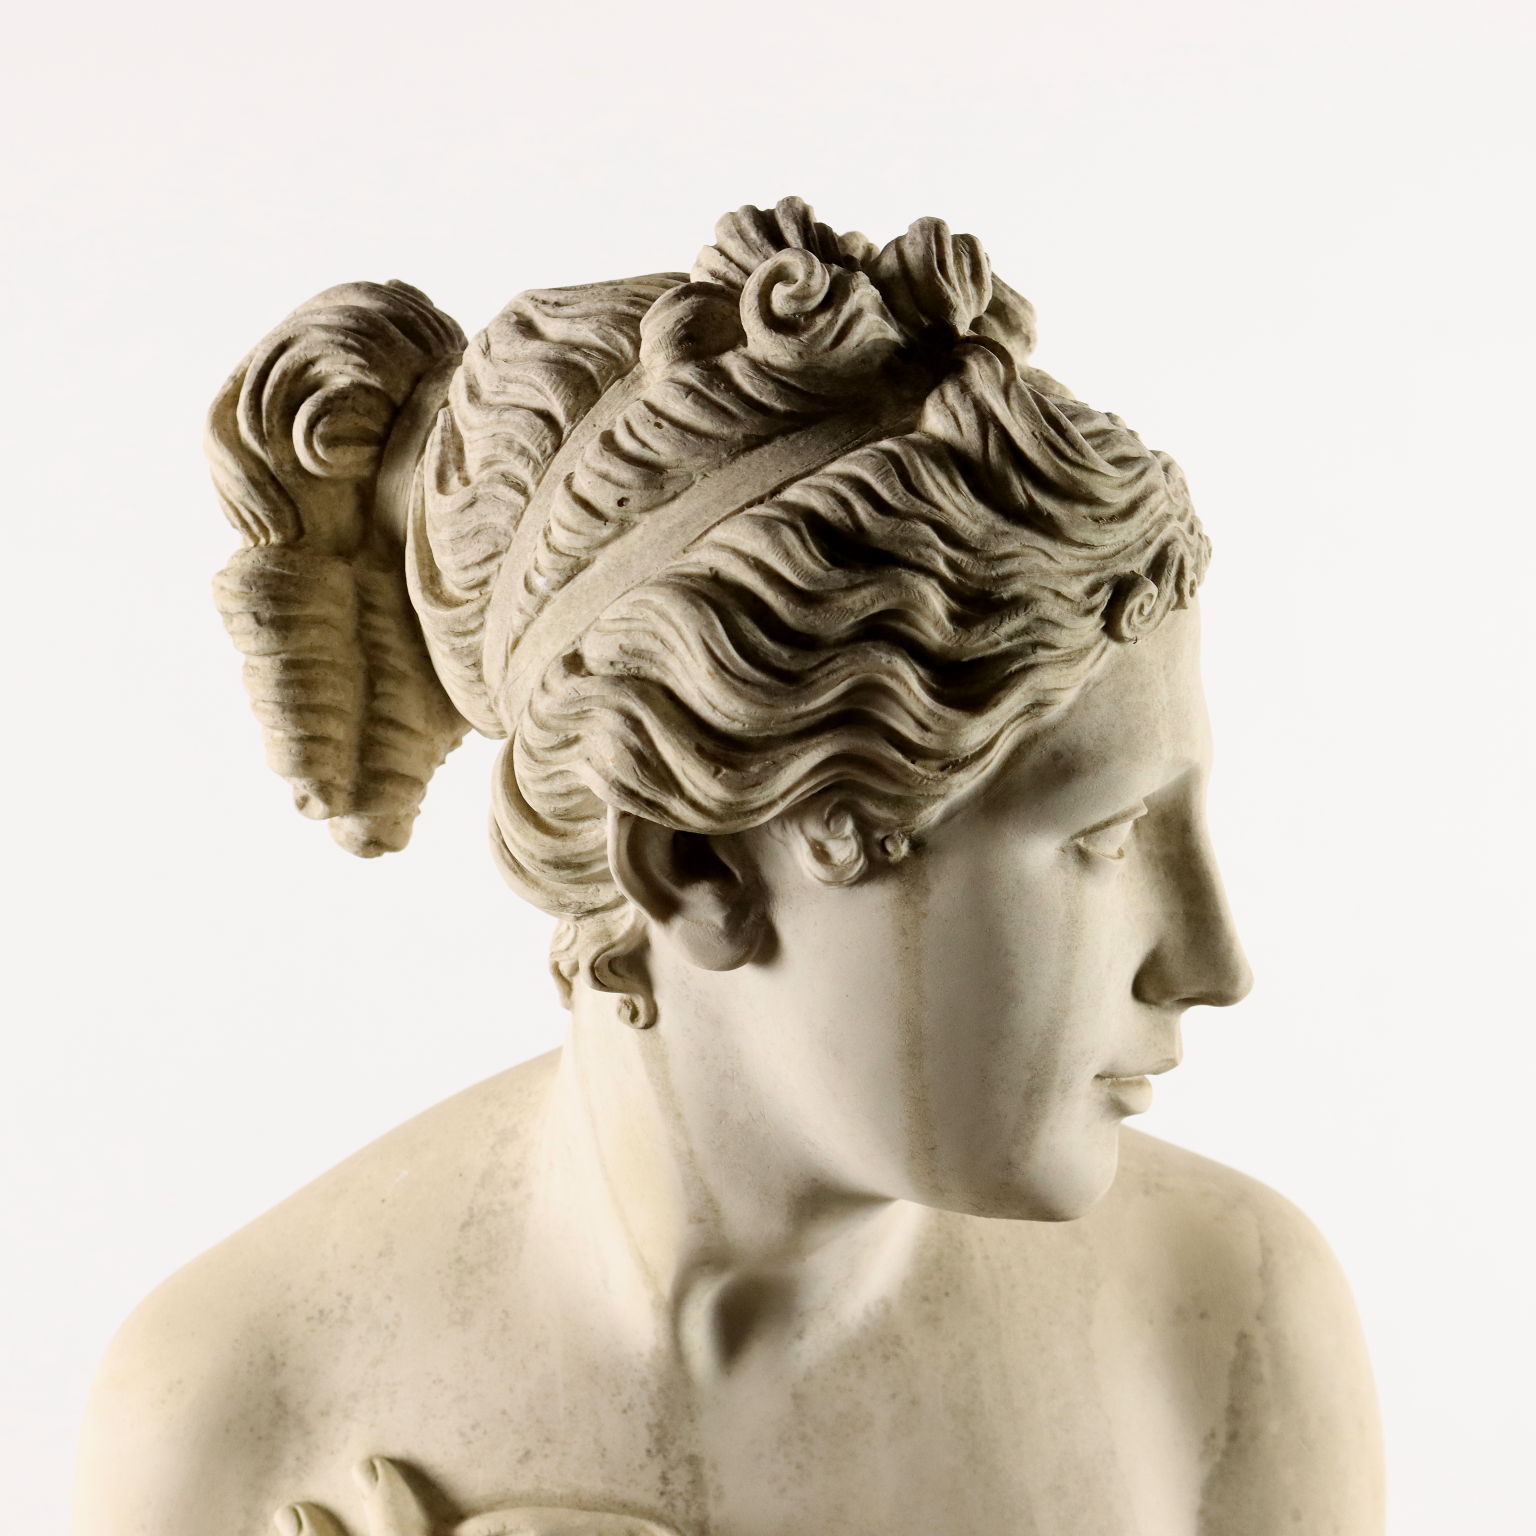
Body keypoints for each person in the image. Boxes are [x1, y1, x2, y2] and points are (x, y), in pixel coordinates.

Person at [75, 199, 1383, 1536]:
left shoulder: (1230, 1326)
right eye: (1099, 840)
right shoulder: (234, 1413)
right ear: (698, 867)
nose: (1213, 964)